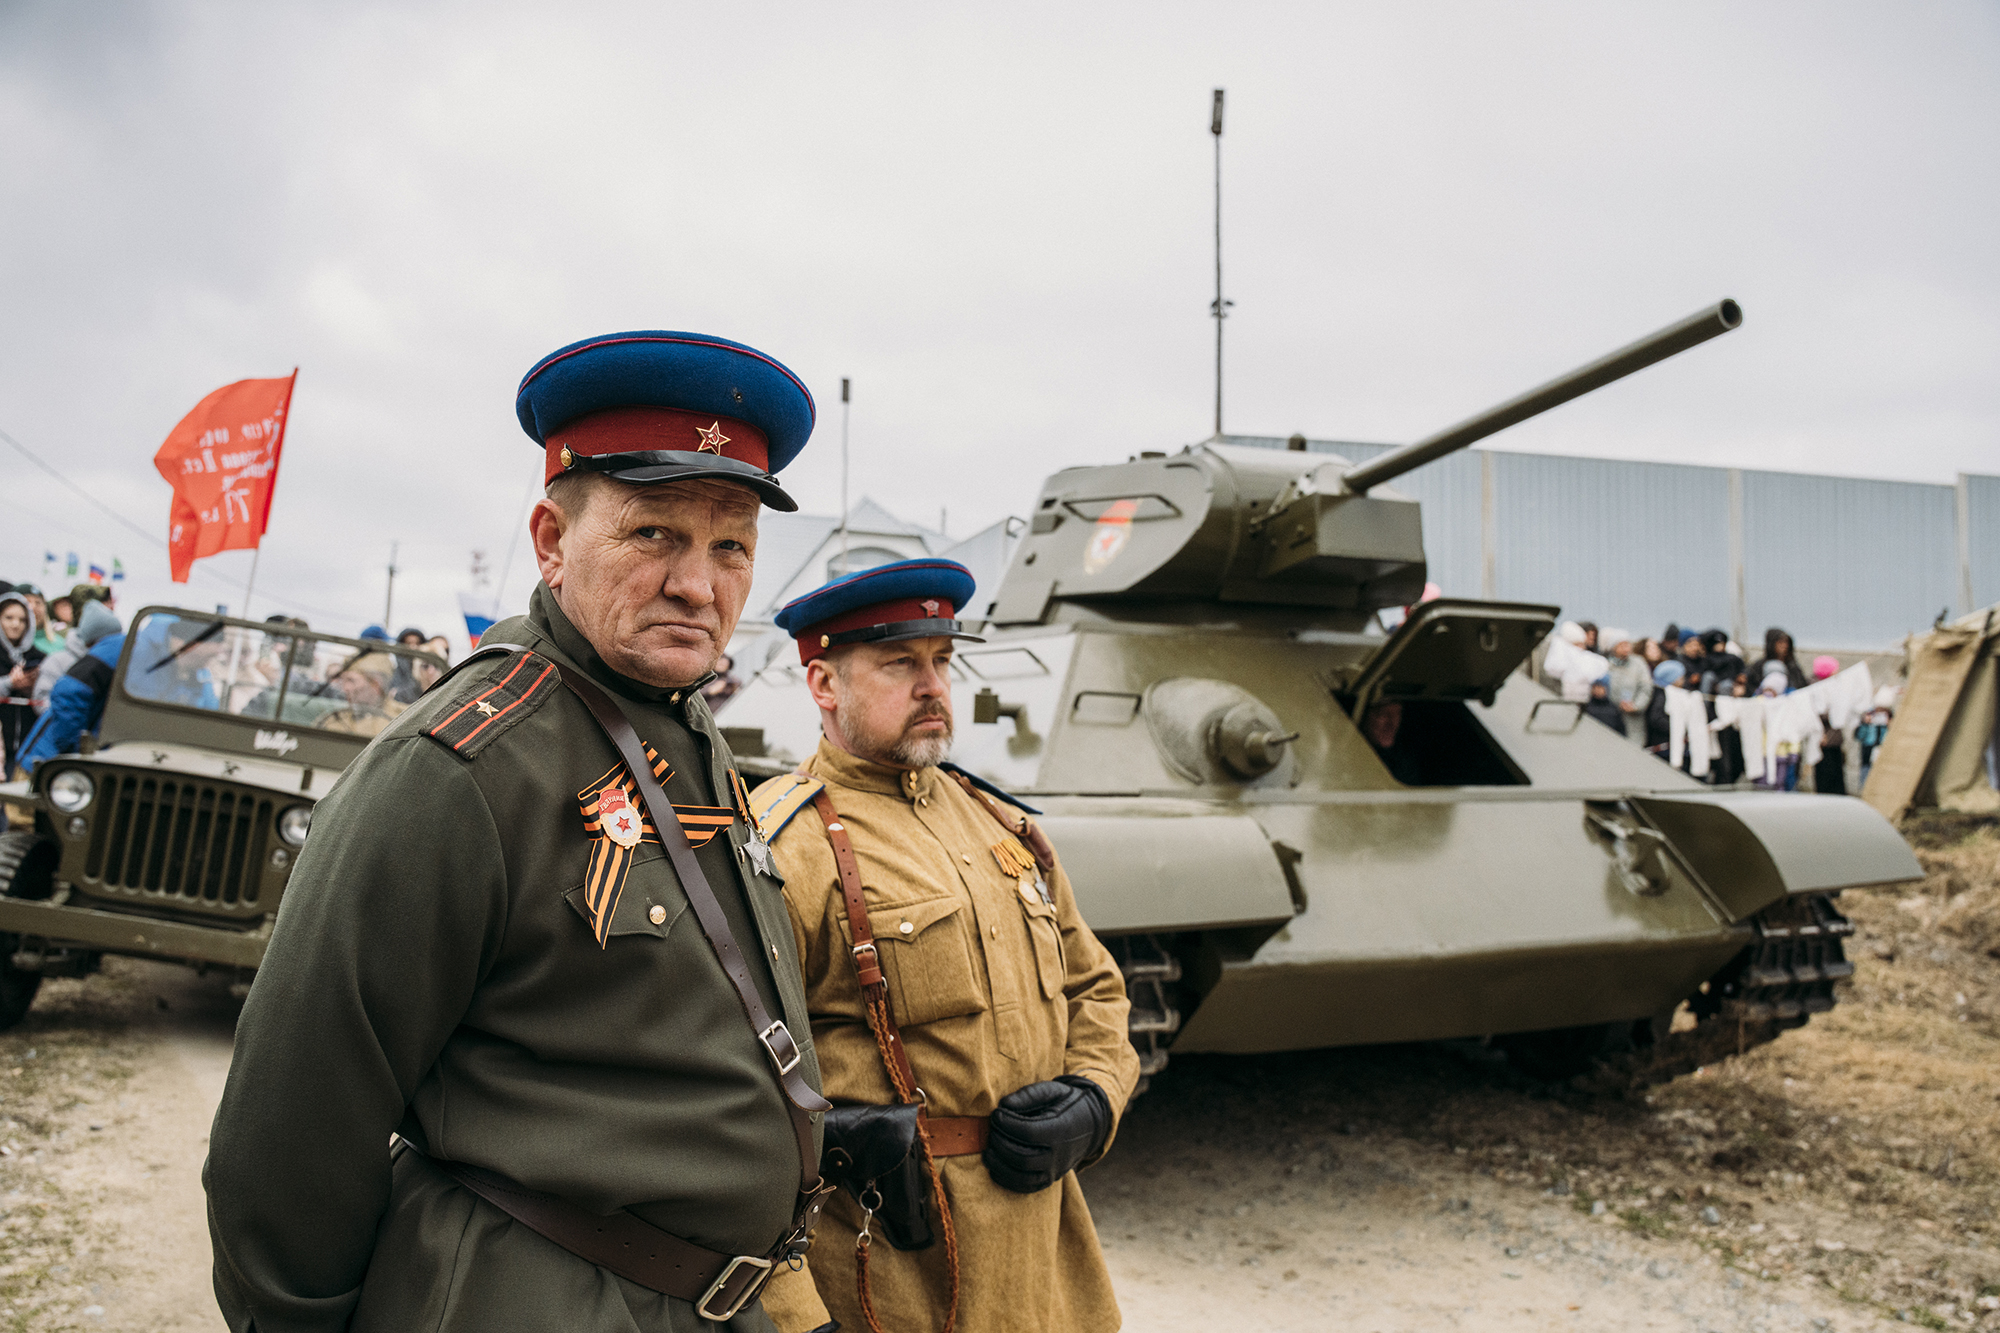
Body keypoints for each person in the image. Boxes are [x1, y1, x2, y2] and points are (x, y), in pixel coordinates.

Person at [206, 329, 832, 1332]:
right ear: (551, 541)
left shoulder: (683, 727)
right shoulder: (462, 765)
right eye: (653, 533)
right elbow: (289, 1128)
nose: (699, 583)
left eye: (731, 547)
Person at [749, 558, 1138, 1333]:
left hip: (1044, 1264)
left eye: (942, 660)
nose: (933, 686)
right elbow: (726, 1094)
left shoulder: (999, 821)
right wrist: (796, 1316)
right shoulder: (782, 848)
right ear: (824, 683)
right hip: (896, 1273)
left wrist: (1097, 1097)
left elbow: (1093, 984)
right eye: (900, 663)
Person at [16, 609, 126, 774]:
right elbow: (68, 694)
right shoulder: (114, 650)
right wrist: (73, 747)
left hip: (63, 760)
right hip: (46, 760)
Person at [0, 592, 45, 775]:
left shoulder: (38, 657)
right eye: (9, 618)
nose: (15, 624)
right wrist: (9, 683)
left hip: (27, 747)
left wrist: (32, 687)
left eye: (22, 620)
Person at [1603, 630, 1652, 742]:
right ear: (1614, 647)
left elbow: (1646, 688)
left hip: (1634, 718)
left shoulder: (1639, 663)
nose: (1626, 648)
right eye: (1622, 645)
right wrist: (1616, 703)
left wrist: (1636, 706)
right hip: (1613, 716)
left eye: (1627, 644)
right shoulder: (1607, 666)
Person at [1361, 700, 1422, 784]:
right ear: (1364, 716)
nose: (1391, 723)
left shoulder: (1403, 762)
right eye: (1382, 713)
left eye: (1397, 713)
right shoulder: (1350, 755)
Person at [1752, 627, 1808, 692]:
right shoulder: (1759, 667)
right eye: (1780, 642)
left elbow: (1802, 687)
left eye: (1786, 642)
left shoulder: (1793, 668)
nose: (1784, 646)